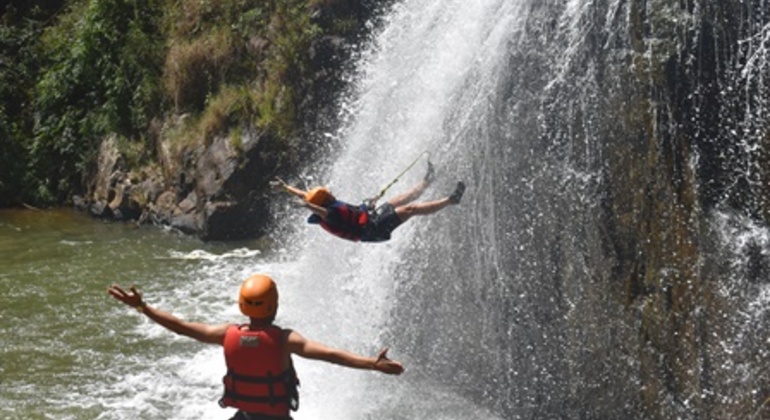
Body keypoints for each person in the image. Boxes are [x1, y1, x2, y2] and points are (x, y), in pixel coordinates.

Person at [107, 274, 404, 420]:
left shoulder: (227, 334)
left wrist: (144, 307)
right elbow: (330, 355)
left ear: (242, 305)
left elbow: (183, 328)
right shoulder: (285, 340)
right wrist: (371, 363)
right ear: (275, 305)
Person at [270, 162, 465, 242]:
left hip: (370, 218)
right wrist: (307, 206)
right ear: (325, 202)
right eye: (328, 195)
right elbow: (320, 210)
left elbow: (306, 195)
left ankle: (427, 180)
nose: (331, 194)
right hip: (372, 230)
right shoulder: (330, 214)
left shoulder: (325, 204)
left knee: (401, 198)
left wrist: (286, 188)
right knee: (410, 209)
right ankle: (451, 200)